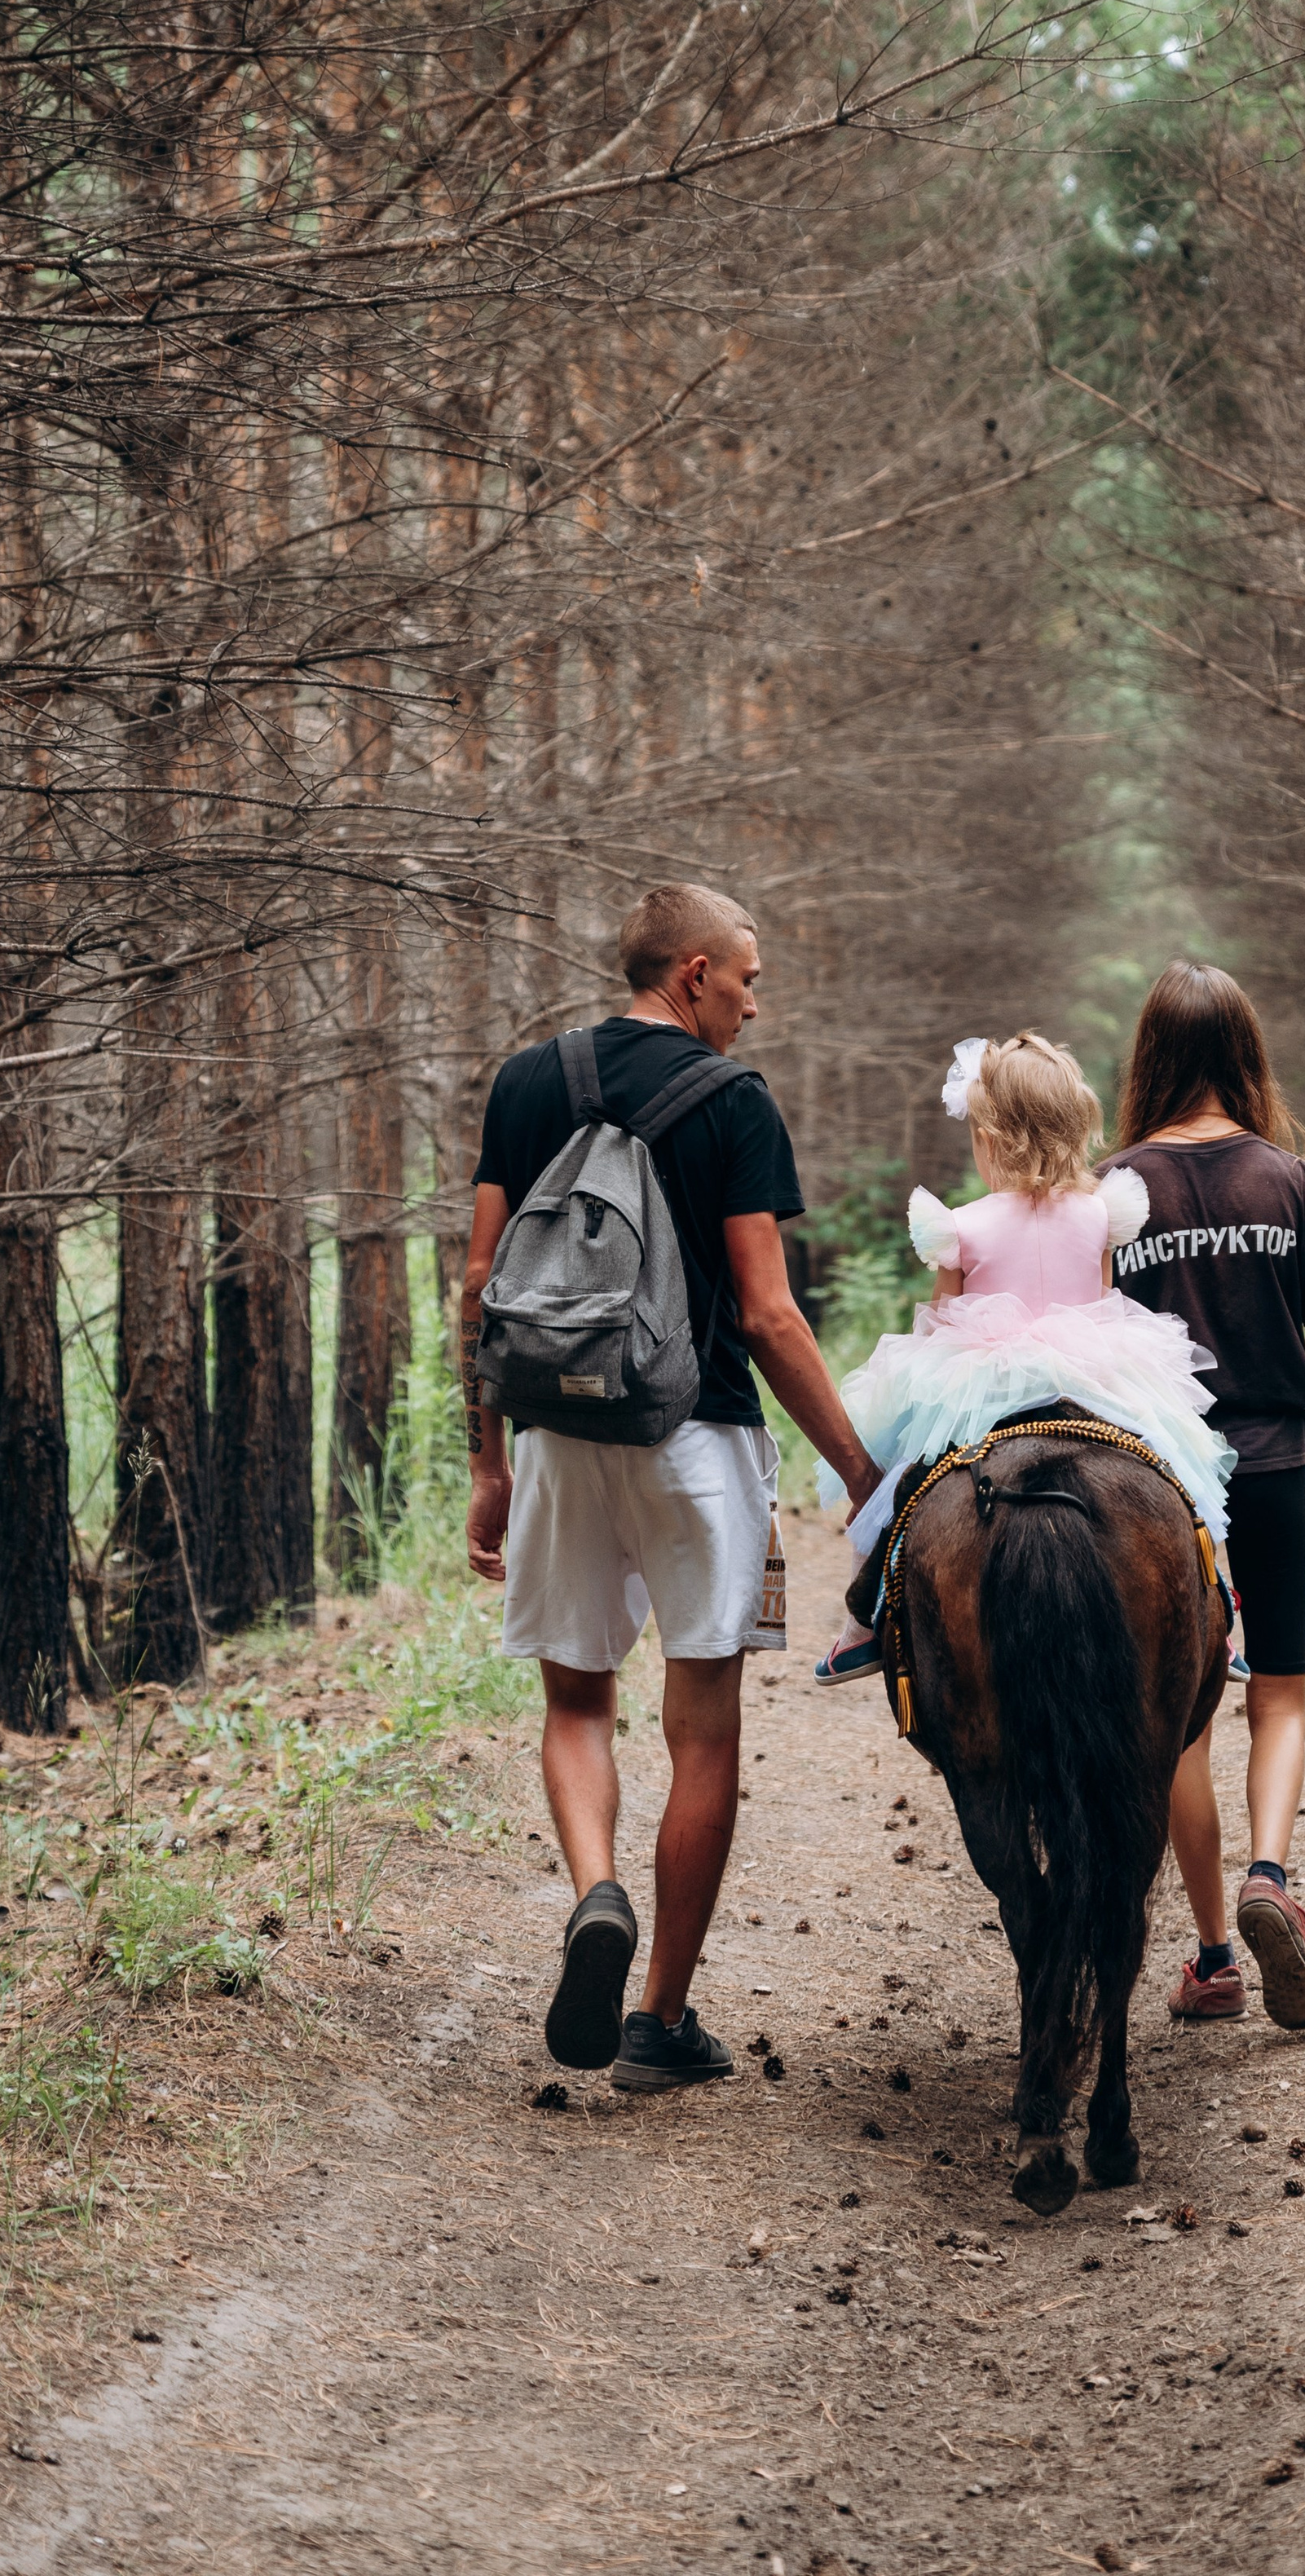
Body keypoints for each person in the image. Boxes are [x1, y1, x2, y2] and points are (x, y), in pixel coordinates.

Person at [461, 881, 882, 2089]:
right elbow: (766, 1313)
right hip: (699, 1446)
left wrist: (491, 1463)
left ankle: (597, 1891)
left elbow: (485, 1279)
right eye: (747, 977)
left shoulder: (529, 1080)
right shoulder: (736, 1101)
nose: (756, 1002)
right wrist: (857, 1465)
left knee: (577, 1703)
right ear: (691, 971)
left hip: (554, 1438)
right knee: (704, 1732)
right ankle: (659, 2020)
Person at [1103, 962, 1305, 2032]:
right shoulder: (1290, 1181)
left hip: (1154, 1488)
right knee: (1281, 1693)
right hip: (1267, 1471)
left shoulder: (1115, 1188)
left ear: (1149, 1059)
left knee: (1177, 1721)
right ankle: (1271, 1878)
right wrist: (1297, 1380)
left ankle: (1212, 1956)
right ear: (1248, 1057)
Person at [812, 1030, 1232, 1685]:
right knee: (1172, 1458)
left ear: (991, 1137)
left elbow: (941, 1323)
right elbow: (1100, 1300)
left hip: (982, 1379)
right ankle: (1214, 1595)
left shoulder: (959, 1224)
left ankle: (865, 1620)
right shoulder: (1102, 1215)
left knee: (909, 1482)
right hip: (1093, 1368)